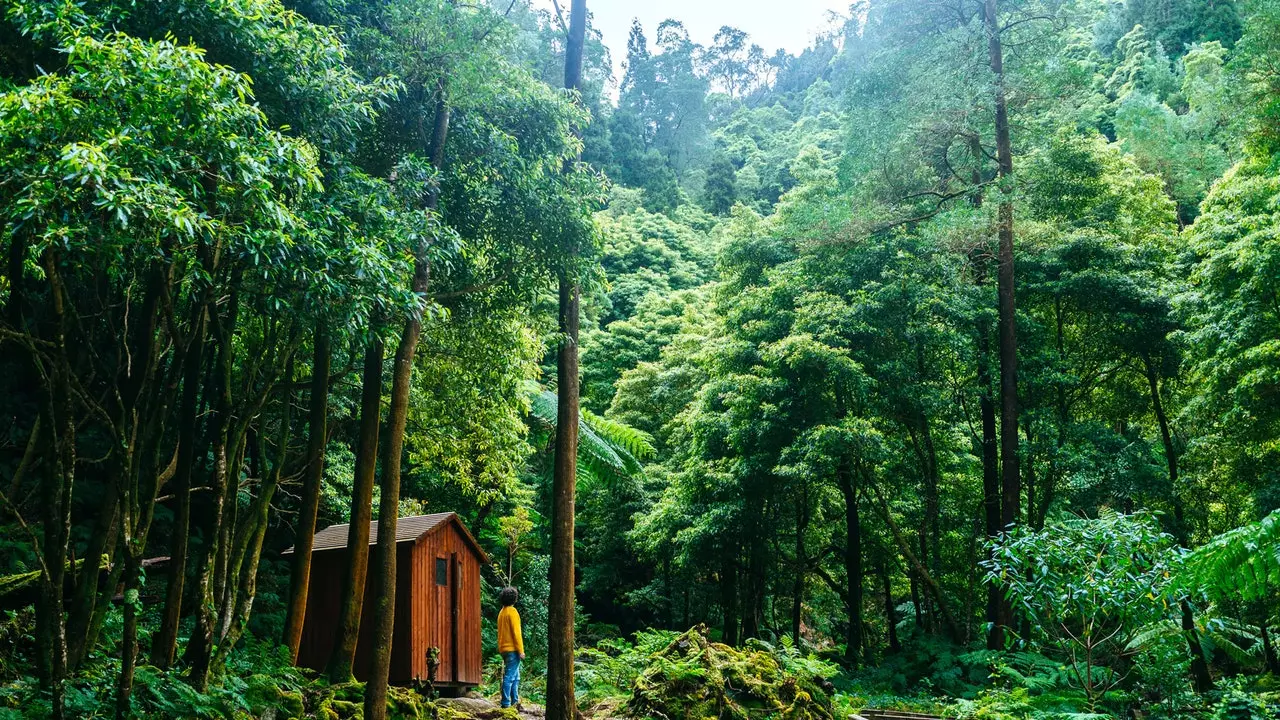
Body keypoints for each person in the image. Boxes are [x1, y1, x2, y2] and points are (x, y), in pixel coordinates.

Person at [497, 586, 524, 709]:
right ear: (514, 598)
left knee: (516, 677)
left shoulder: (502, 612)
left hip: (504, 649)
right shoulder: (512, 612)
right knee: (509, 677)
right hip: (512, 649)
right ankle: (506, 704)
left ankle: (515, 701)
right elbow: (516, 633)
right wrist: (521, 651)